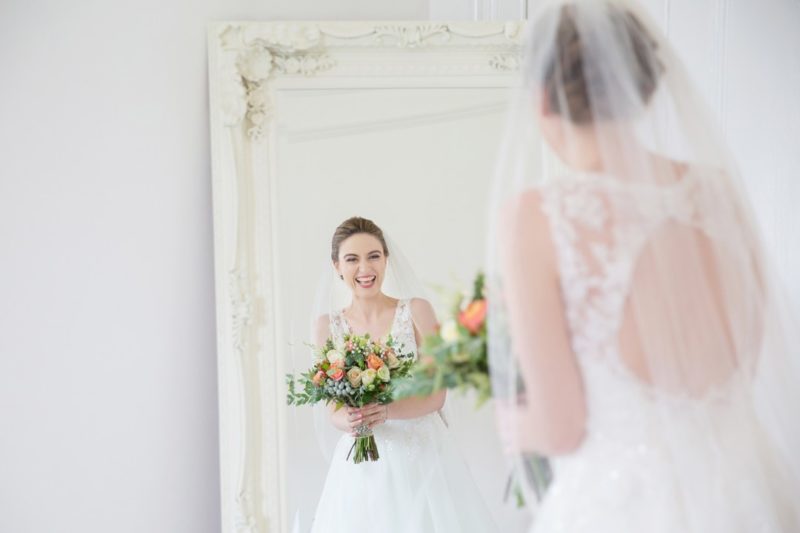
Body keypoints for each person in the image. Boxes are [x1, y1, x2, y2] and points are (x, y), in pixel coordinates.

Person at [487, 1, 800, 531]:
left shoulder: (537, 217)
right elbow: (746, 363)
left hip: (623, 501)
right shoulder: (718, 191)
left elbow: (561, 429)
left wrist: (514, 425)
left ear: (543, 99)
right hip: (746, 490)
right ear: (645, 86)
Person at [309, 216, 496, 533]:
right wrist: (350, 420)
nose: (365, 269)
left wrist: (386, 410)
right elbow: (333, 410)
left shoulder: (416, 311)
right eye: (352, 259)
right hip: (361, 466)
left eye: (373, 256)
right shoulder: (328, 326)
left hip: (421, 453)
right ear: (337, 266)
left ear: (386, 259)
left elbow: (437, 394)